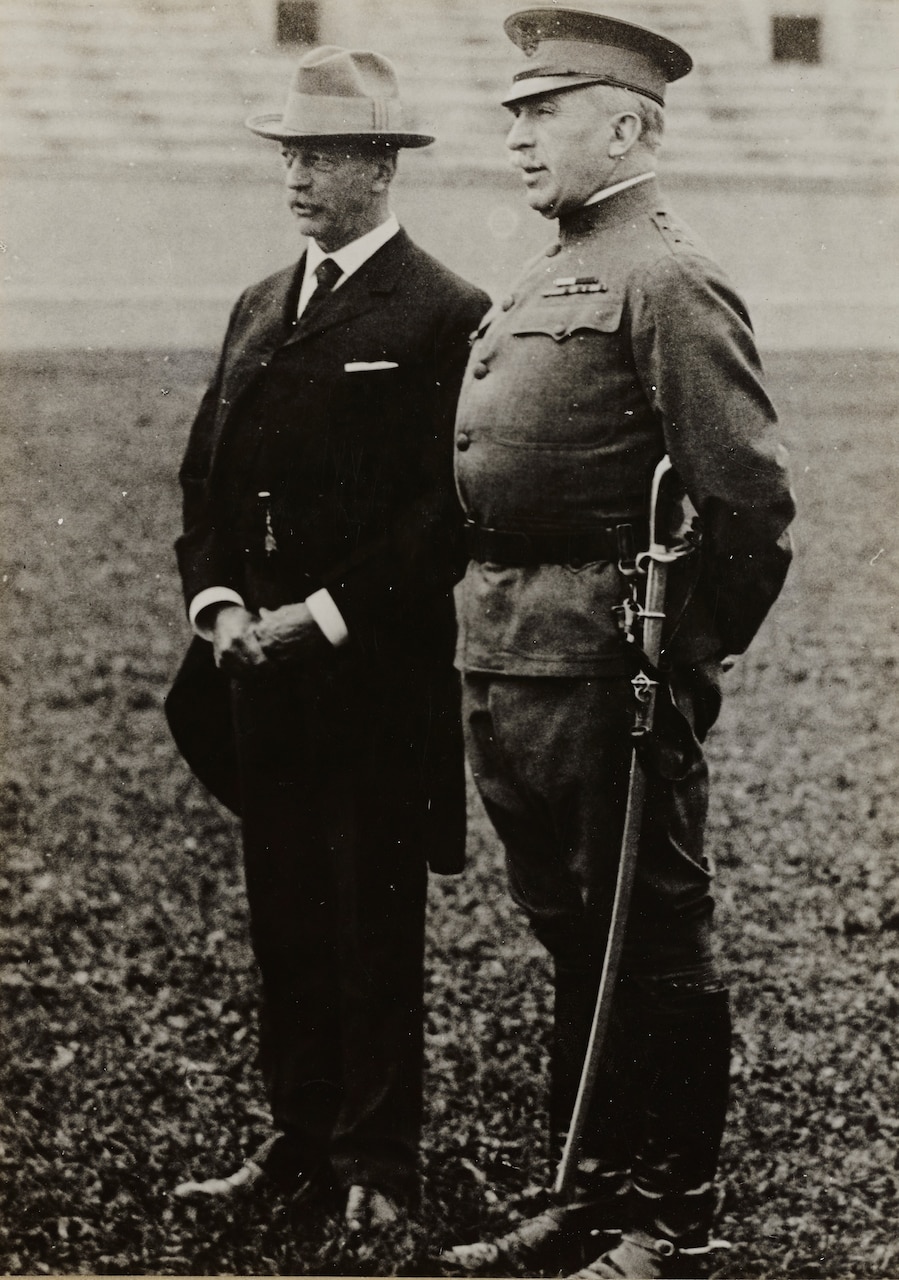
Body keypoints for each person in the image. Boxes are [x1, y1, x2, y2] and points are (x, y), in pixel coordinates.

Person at [439, 9, 795, 1279]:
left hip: (607, 666)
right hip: (512, 652)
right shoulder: (555, 260)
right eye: (515, 110)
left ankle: (669, 1218)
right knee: (573, 931)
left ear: (628, 122)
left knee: (648, 932)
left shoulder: (664, 272)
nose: (517, 131)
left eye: (545, 109)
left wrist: (677, 655)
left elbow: (746, 498)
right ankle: (585, 1191)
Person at [164, 45, 489, 1238]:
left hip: (371, 683)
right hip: (259, 675)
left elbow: (448, 507)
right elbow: (206, 475)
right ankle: (298, 1138)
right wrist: (223, 609)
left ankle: (377, 1160)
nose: (296, 175)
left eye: (321, 155)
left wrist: (328, 614)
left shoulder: (448, 309)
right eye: (289, 153)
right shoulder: (259, 299)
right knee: (286, 911)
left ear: (378, 167)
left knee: (370, 916)